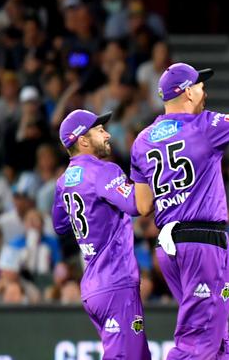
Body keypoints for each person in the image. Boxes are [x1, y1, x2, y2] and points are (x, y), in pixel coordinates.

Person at [130, 36, 229, 359]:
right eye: (200, 85)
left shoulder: (142, 141)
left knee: (216, 334)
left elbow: (142, 206)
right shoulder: (204, 124)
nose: (204, 91)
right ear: (187, 91)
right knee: (198, 341)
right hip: (202, 242)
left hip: (168, 244)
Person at [52, 109, 150, 359]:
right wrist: (142, 167)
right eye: (99, 130)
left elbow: (60, 225)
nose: (107, 134)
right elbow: (138, 206)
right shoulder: (105, 171)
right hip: (116, 281)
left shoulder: (64, 181)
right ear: (82, 140)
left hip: (94, 285)